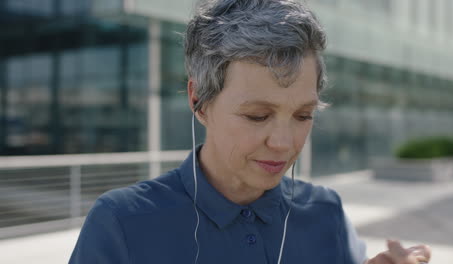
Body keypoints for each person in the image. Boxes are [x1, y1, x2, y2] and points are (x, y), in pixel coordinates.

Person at [69, 0, 431, 263]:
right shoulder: (122, 223)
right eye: (258, 116)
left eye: (303, 115)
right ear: (199, 100)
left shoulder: (326, 213)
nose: (284, 143)